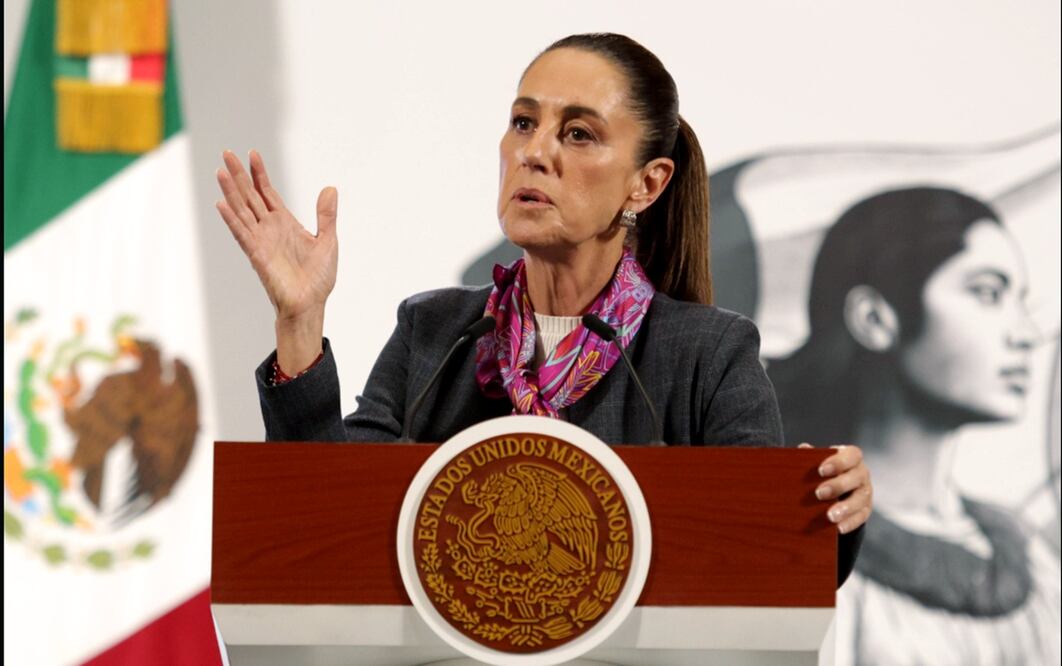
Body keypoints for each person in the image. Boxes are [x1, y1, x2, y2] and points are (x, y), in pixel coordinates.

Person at [214, 33, 872, 553]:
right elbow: (326, 514)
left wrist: (831, 509)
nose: (534, 152)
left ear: (646, 184)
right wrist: (300, 320)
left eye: (578, 133)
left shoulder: (708, 354)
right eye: (524, 122)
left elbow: (765, 554)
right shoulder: (435, 333)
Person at [768, 187, 1061, 664]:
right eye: (988, 293)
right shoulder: (797, 552)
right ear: (875, 318)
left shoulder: (1033, 559)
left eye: (1019, 300)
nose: (1027, 335)